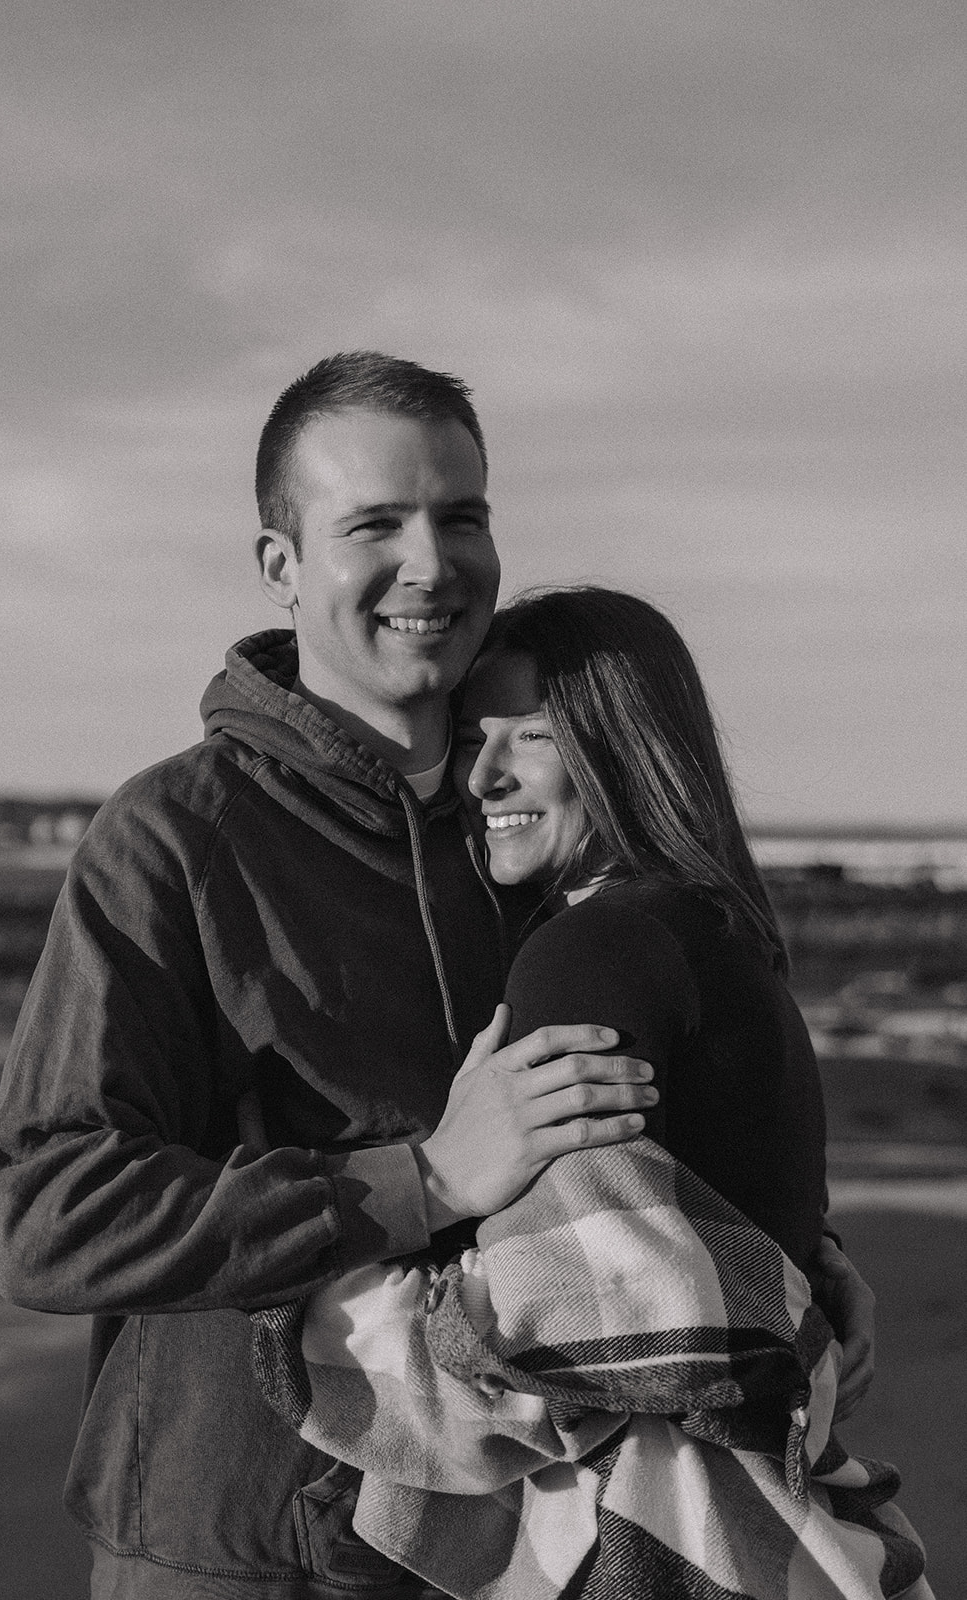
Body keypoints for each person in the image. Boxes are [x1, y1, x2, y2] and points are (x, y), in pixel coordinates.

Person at [0, 354, 874, 1599]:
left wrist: (787, 1263)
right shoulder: (177, 836)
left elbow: (634, 1110)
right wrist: (424, 1178)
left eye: (461, 516)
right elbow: (50, 1212)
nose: (429, 560)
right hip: (230, 1542)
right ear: (281, 565)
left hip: (505, 1541)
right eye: (374, 523)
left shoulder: (516, 833)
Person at [249, 588, 930, 1599]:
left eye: (529, 734)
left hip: (650, 1540)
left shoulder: (592, 949)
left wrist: (298, 1299)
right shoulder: (717, 936)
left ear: (623, 748)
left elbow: (565, 1340)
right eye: (472, 734)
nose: (480, 774)